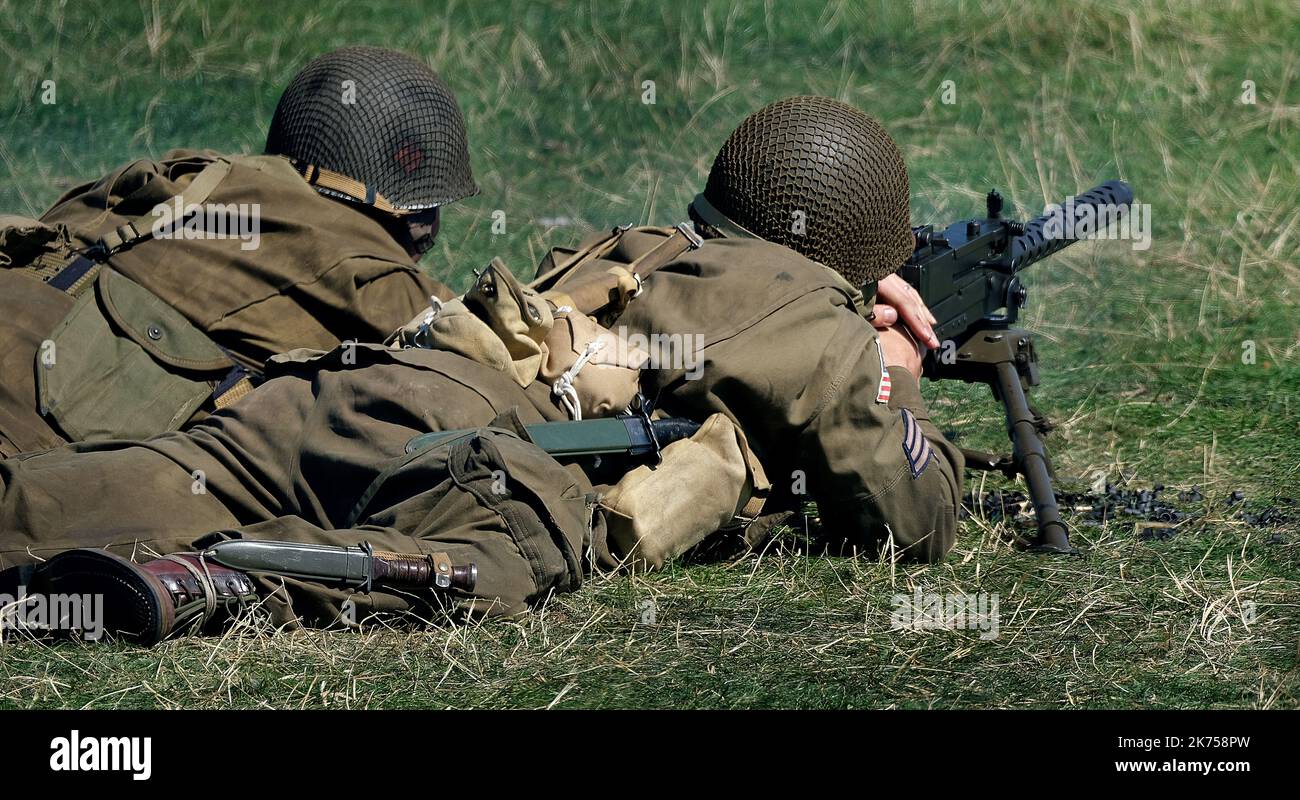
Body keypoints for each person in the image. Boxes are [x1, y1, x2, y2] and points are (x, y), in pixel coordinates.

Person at [0, 97, 961, 644]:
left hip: (346, 387)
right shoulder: (819, 320)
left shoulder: (630, 248)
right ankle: (212, 583)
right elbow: (907, 521)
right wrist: (895, 369)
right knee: (516, 546)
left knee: (91, 493)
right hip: (473, 452)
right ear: (864, 256)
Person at [535, 95, 963, 562]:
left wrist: (847, 290)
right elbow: (924, 528)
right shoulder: (827, 348)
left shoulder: (620, 256)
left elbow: (749, 283)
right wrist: (896, 373)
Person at [0, 46, 476, 457]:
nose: (431, 228)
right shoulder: (366, 272)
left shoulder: (185, 174)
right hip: (36, 446)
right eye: (424, 212)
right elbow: (489, 374)